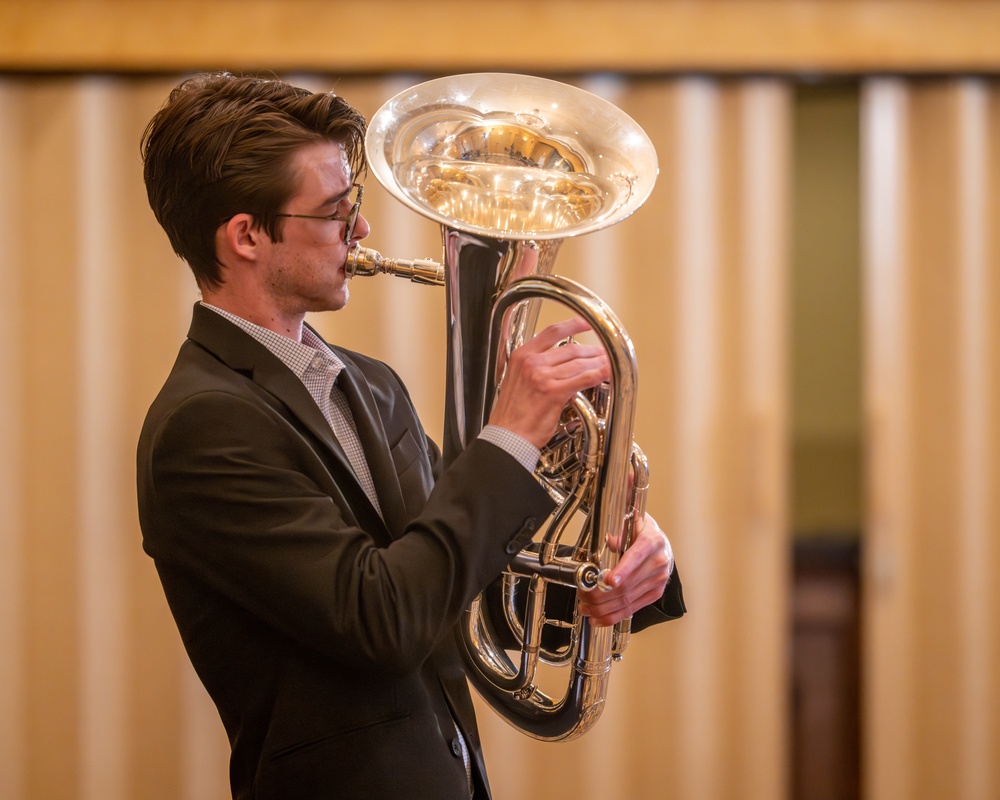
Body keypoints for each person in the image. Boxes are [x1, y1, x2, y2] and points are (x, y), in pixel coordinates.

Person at [136, 72, 685, 800]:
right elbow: (383, 621)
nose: (362, 231)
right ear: (246, 236)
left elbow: (462, 595)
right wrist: (511, 435)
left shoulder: (372, 387)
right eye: (336, 211)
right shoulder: (203, 426)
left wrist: (620, 566)